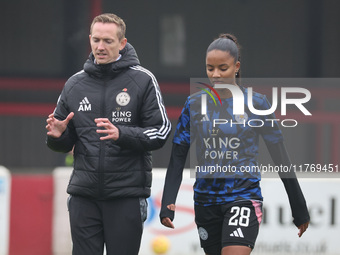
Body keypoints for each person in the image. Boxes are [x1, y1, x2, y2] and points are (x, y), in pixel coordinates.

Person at [160, 33, 310, 255]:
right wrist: (168, 203)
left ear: (236, 66)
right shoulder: (194, 104)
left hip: (243, 197)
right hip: (205, 202)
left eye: (223, 68)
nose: (215, 74)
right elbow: (177, 157)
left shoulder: (257, 103)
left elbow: (281, 157)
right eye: (210, 68)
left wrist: (299, 207)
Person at [46, 13, 171, 255]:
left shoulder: (143, 80)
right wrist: (57, 136)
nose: (100, 47)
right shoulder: (74, 84)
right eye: (96, 40)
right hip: (84, 196)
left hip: (126, 195)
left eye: (108, 41)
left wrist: (121, 134)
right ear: (90, 40)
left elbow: (162, 131)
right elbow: (61, 142)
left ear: (122, 44)